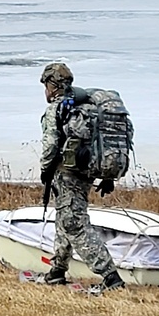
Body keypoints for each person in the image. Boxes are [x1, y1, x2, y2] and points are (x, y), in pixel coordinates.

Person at [37, 62, 125, 292]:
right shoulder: (88, 106)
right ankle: (57, 270)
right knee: (66, 216)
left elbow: (50, 146)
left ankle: (110, 277)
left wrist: (45, 171)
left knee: (73, 223)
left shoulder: (56, 109)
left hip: (68, 174)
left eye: (46, 85)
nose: (45, 91)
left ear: (52, 85)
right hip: (87, 173)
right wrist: (107, 176)